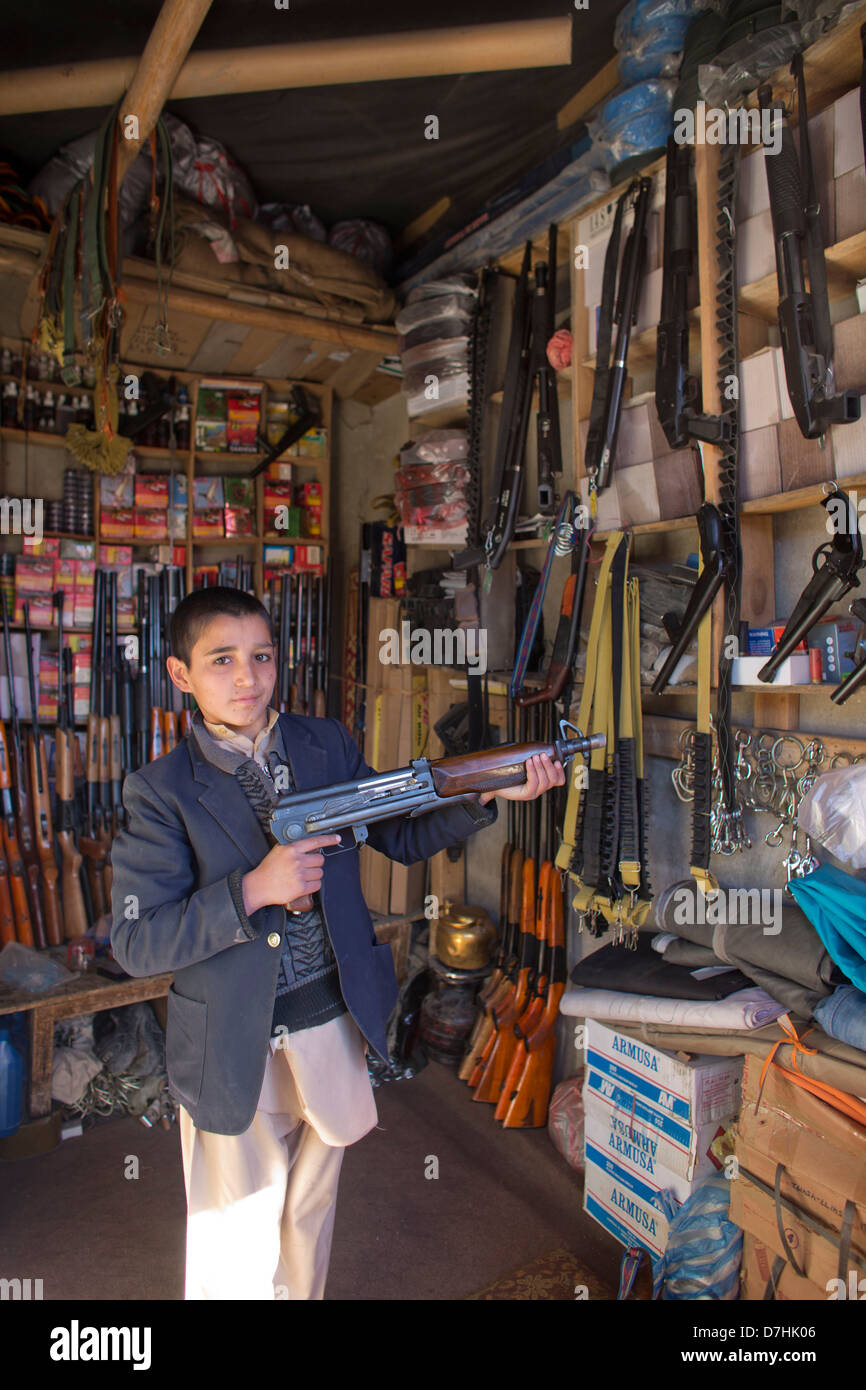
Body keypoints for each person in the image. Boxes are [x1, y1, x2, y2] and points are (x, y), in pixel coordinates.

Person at [109, 585, 565, 1301]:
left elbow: (402, 833)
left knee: (308, 1218)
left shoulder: (326, 745)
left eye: (261, 656)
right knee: (237, 1233)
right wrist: (253, 890)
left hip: (332, 1018)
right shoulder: (160, 790)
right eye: (221, 659)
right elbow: (136, 939)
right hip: (236, 1037)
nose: (248, 677)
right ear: (179, 675)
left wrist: (487, 792)